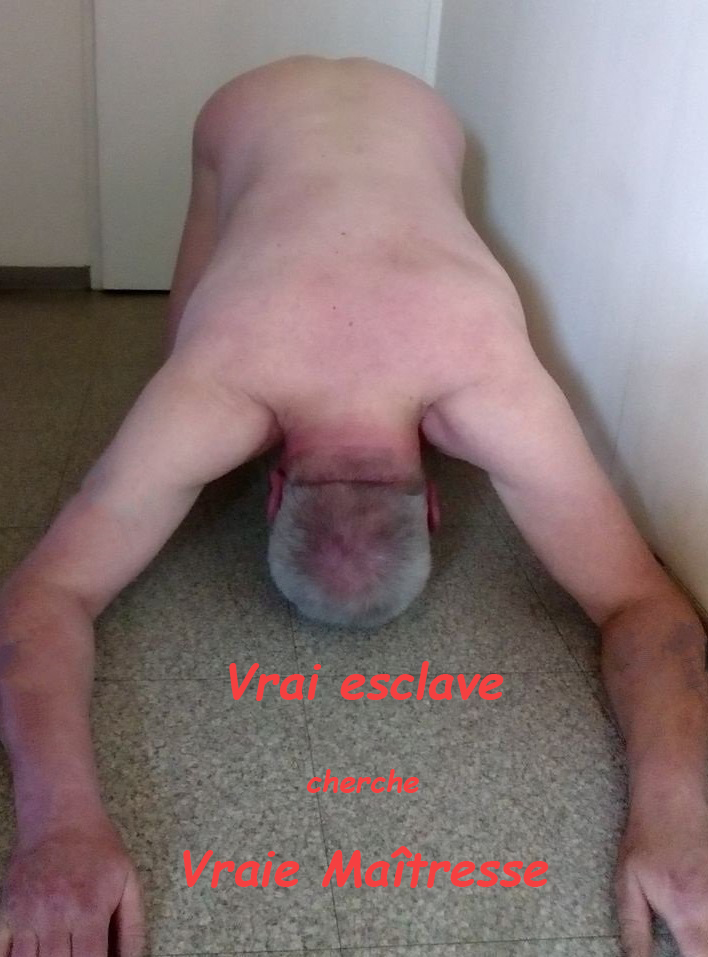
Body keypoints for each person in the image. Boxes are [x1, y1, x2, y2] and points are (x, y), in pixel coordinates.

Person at [0, 55, 706, 957]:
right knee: (186, 345)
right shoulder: (239, 381)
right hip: (356, 110)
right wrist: (675, 820)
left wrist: (681, 824)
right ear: (437, 506)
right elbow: (642, 602)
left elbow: (46, 592)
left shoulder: (465, 381)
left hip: (368, 113)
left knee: (187, 349)